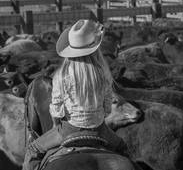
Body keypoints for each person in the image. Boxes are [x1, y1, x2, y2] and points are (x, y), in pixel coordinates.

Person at [23, 19, 127, 170]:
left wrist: (56, 123)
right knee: (124, 148)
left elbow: (57, 109)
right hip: (100, 129)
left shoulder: (62, 75)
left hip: (68, 129)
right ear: (94, 49)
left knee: (33, 150)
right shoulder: (102, 74)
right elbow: (107, 108)